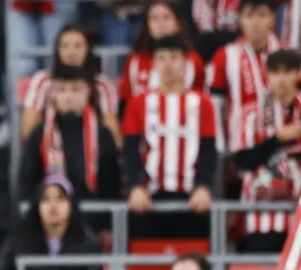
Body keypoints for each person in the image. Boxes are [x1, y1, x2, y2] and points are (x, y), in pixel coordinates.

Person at [123, 35, 218, 239]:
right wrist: (135, 186)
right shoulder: (138, 103)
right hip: (148, 198)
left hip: (192, 197)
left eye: (174, 57)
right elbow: (130, 150)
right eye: (162, 58)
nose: (168, 64)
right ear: (154, 63)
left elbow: (209, 151)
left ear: (186, 62)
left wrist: (204, 187)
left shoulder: (203, 104)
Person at [21, 64, 122, 204]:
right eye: (61, 90)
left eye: (76, 90)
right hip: (51, 215)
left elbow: (112, 183)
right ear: (53, 95)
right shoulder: (40, 134)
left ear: (88, 92)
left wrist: (105, 223)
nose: (68, 97)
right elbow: (28, 181)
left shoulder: (102, 134)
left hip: (94, 213)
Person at [232, 49, 301, 252]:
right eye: (275, 72)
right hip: (262, 216)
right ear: (267, 75)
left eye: (287, 72)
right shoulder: (251, 113)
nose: (281, 79)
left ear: (298, 74)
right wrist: (278, 139)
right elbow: (243, 160)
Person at [21, 23, 121, 145]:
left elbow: (113, 136)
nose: (71, 52)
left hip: (91, 149)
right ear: (57, 50)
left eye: (78, 46)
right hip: (50, 150)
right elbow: (28, 130)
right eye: (65, 46)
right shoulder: (42, 81)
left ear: (88, 49)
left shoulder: (102, 85)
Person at [208, 0, 280, 152]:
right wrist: (219, 147)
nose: (255, 23)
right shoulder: (225, 55)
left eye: (261, 15)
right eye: (249, 16)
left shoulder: (286, 55)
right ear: (239, 19)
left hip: (280, 142)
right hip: (239, 145)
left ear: (272, 18)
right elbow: (216, 105)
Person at [119, 0, 206, 111]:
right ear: (148, 27)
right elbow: (125, 101)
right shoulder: (134, 60)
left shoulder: (193, 60)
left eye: (166, 17)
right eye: (155, 18)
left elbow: (201, 101)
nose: (161, 24)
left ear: (178, 24)